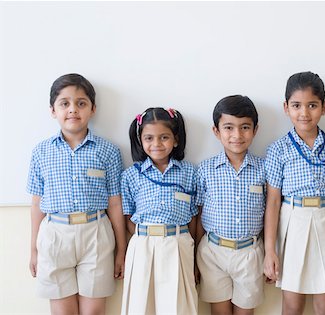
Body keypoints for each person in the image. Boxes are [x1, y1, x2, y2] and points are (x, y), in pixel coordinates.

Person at [27, 73, 127, 314]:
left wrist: (121, 250)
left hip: (96, 233)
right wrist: (33, 248)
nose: (73, 110)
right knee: (63, 311)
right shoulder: (41, 152)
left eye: (81, 103)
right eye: (65, 103)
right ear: (53, 110)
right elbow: (36, 203)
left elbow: (115, 203)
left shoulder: (108, 151)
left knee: (93, 311)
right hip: (54, 235)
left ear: (93, 109)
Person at [264, 71, 325, 315]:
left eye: (312, 105)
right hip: (294, 222)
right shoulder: (278, 149)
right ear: (286, 107)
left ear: (324, 107)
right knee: (292, 304)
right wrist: (270, 250)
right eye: (297, 105)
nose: (304, 113)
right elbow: (272, 202)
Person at [120, 107, 198, 314]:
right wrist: (146, 237)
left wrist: (190, 245)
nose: (156, 144)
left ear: (176, 139)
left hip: (178, 243)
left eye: (164, 137)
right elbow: (127, 216)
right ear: (140, 140)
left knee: (178, 304)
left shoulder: (189, 172)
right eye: (149, 138)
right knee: (142, 303)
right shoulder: (130, 175)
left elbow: (193, 216)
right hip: (143, 245)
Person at [196, 95, 266, 315]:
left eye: (245, 127)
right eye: (228, 127)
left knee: (246, 311)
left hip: (250, 253)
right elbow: (197, 215)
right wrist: (193, 260)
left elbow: (272, 213)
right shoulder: (205, 170)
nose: (237, 135)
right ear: (216, 131)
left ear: (255, 130)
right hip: (213, 252)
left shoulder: (264, 169)